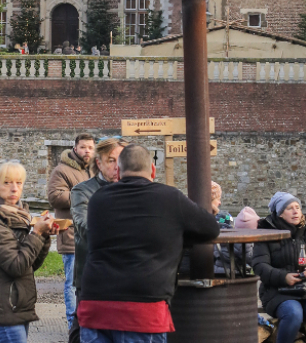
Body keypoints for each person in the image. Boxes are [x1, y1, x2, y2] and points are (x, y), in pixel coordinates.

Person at [78, 144, 220, 343]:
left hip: (95, 305)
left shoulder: (98, 200)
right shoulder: (171, 198)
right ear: (152, 170)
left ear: (118, 171)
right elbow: (210, 229)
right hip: (142, 309)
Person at [0, 161, 59, 343]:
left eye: (18, 183)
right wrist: (36, 233)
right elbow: (16, 266)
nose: (14, 188)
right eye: (7, 182)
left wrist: (43, 236)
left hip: (17, 306)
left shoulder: (18, 218)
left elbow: (30, 264)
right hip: (4, 307)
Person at [68, 137, 129, 343]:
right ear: (99, 163)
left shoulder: (136, 191)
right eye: (111, 160)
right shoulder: (83, 191)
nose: (117, 167)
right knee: (82, 332)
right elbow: (84, 228)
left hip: (128, 276)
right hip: (92, 276)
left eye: (122, 160)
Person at [252, 192, 306, 343]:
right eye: (290, 208)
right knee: (293, 314)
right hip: (278, 292)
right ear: (280, 214)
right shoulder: (266, 234)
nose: (296, 211)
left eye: (297, 207)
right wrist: (283, 277)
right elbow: (259, 265)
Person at [47, 134, 94, 329]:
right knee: (72, 283)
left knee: (90, 282)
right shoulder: (61, 171)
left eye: (90, 148)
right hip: (71, 235)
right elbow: (55, 197)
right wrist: (85, 195)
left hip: (92, 236)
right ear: (75, 149)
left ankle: (87, 322)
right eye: (83, 147)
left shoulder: (93, 171)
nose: (87, 151)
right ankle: (71, 325)